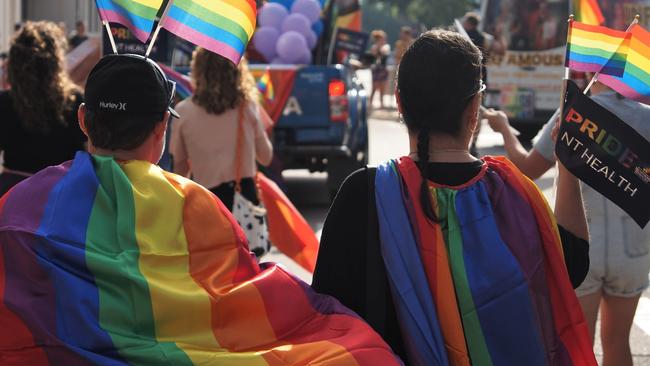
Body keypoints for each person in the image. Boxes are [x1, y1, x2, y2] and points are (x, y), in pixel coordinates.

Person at [0, 53, 401, 365]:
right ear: (161, 129)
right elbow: (240, 300)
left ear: (84, 120)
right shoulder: (195, 205)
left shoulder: (24, 203)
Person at [312, 30, 596, 365]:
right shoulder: (514, 191)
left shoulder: (362, 193)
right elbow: (572, 266)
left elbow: (326, 315)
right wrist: (568, 167)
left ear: (400, 102)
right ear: (474, 109)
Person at [485, 80, 650, 366]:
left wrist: (504, 130)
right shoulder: (645, 115)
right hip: (633, 249)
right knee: (618, 342)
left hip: (583, 244)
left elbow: (528, 168)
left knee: (578, 346)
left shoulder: (573, 110)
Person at [170, 48, 273, 213]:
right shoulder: (247, 108)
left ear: (198, 71)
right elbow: (266, 157)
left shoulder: (183, 111)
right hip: (244, 202)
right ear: (237, 71)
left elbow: (180, 168)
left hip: (206, 203)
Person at [0, 21, 85, 196]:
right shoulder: (74, 101)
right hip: (61, 196)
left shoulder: (5, 102)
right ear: (56, 62)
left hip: (13, 195)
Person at [369, 30, 391, 109]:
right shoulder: (374, 46)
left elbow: (384, 52)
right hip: (375, 68)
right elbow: (374, 54)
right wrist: (378, 45)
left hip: (383, 68)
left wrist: (379, 46)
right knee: (374, 86)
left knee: (382, 86)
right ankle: (370, 103)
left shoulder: (386, 46)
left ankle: (382, 104)